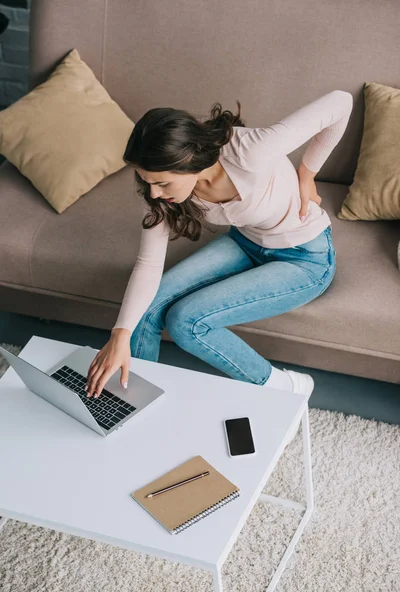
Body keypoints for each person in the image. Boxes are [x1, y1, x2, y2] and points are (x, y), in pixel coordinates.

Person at [85, 89, 353, 402]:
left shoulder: (249, 151)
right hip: (246, 241)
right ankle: (130, 400)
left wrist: (307, 172)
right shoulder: (159, 196)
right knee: (146, 308)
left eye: (161, 182)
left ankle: (285, 387)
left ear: (187, 161)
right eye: (147, 181)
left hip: (305, 259)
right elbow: (149, 264)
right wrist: (120, 334)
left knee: (186, 321)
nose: (154, 193)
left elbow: (340, 102)